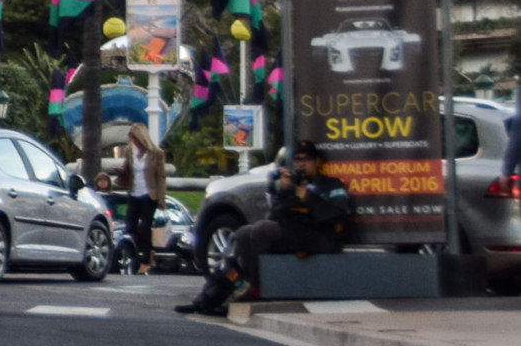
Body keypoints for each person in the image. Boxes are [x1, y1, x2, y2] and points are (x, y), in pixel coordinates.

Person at [177, 141, 354, 315]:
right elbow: (276, 214)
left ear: (317, 161)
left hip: (320, 236)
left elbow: (337, 215)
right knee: (244, 233)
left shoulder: (331, 185)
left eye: (306, 159)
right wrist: (284, 191)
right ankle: (213, 296)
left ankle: (256, 288)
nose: (301, 164)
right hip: (293, 233)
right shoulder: (293, 184)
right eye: (298, 160)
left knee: (262, 230)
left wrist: (308, 197)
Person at [115, 124, 166, 274]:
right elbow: (128, 168)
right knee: (130, 226)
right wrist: (122, 171)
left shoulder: (157, 153)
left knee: (145, 227)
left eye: (134, 138)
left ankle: (144, 262)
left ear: (140, 137)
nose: (132, 141)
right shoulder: (129, 151)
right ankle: (147, 251)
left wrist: (161, 200)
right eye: (131, 139)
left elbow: (161, 177)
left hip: (149, 194)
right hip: (134, 192)